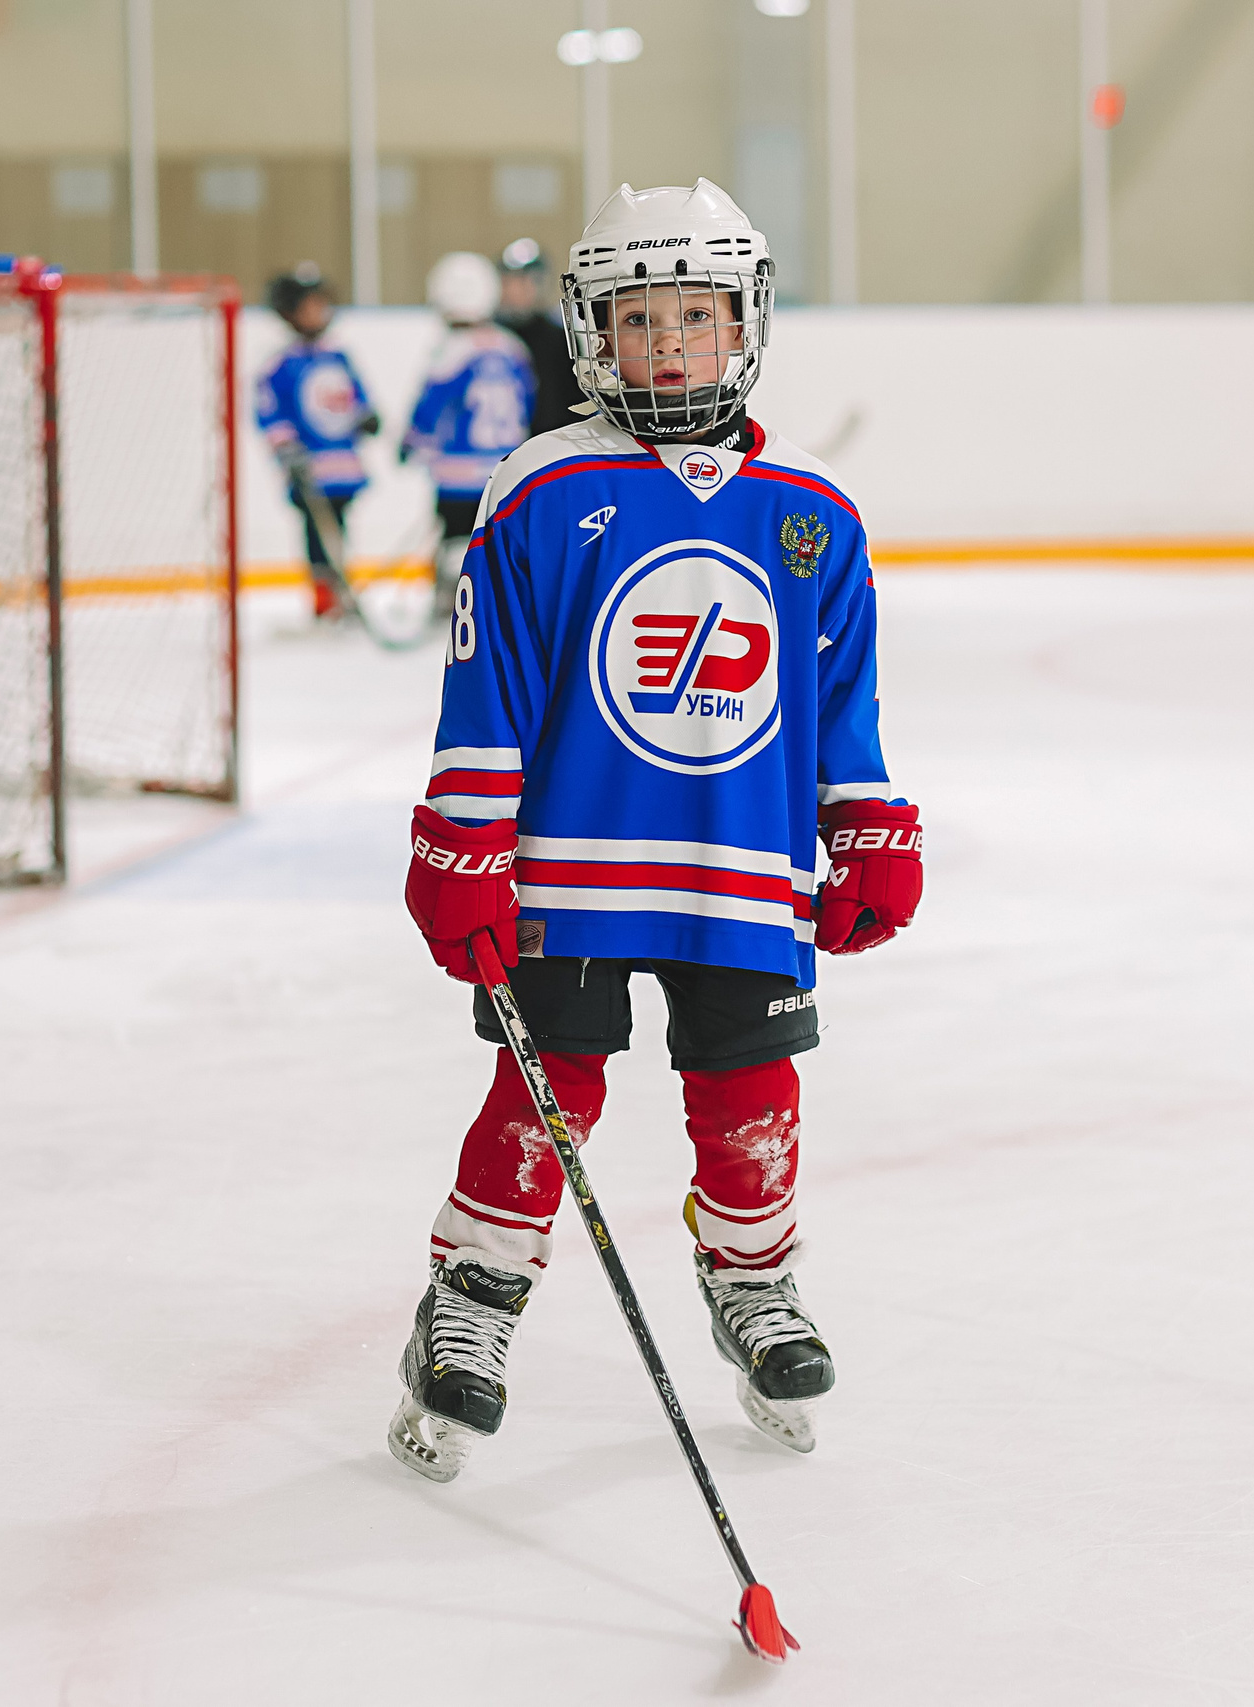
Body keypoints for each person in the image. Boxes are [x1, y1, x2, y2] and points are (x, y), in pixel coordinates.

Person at [389, 181, 924, 1483]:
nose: (672, 342)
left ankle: (756, 1281)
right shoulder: (540, 490)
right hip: (569, 862)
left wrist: (868, 824)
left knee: (752, 1087)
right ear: (593, 331)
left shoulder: (814, 511)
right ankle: (472, 1300)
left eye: (699, 313)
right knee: (545, 1087)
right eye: (641, 318)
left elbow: (836, 698)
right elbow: (489, 692)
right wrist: (460, 849)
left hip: (739, 860)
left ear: (747, 322)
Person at [402, 252, 535, 619]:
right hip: (505, 470)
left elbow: (430, 408)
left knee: (456, 537)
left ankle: (452, 603)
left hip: (457, 472)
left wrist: (410, 442)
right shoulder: (511, 348)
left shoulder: (450, 351)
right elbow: (528, 402)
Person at [255, 263, 379, 621]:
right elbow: (269, 412)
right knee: (316, 535)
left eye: (321, 304)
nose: (317, 312)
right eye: (309, 306)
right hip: (309, 469)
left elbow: (354, 398)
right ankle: (326, 600)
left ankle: (341, 593)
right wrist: (285, 446)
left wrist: (366, 416)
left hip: (343, 466)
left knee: (338, 531)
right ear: (289, 312)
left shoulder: (337, 356)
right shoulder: (280, 364)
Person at [495, 238, 586, 435]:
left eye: (524, 281)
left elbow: (576, 404)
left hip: (548, 446)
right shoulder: (493, 338)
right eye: (510, 281)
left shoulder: (559, 340)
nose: (514, 289)